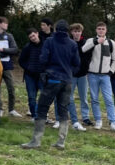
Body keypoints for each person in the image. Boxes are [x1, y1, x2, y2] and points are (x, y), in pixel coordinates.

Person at [21, 19, 79, 150]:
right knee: (63, 110)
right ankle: (61, 141)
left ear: (55, 29)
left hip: (53, 79)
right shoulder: (72, 44)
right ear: (67, 30)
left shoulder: (49, 41)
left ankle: (36, 141)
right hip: (67, 80)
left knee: (42, 108)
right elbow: (76, 62)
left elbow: (43, 59)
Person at [81, 22, 115, 131]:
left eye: (103, 29)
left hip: (105, 76)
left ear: (106, 30)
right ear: (96, 30)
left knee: (108, 99)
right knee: (94, 99)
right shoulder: (90, 40)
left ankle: (113, 122)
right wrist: (95, 42)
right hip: (92, 75)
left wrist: (111, 72)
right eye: (99, 29)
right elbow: (83, 49)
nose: (101, 31)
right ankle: (98, 120)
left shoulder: (111, 43)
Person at [0, 16, 21, 118]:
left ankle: (11, 109)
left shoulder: (9, 36)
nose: (6, 25)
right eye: (5, 23)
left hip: (7, 65)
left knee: (11, 88)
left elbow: (15, 49)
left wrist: (4, 50)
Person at [18, 28, 44, 118]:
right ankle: (34, 115)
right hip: (30, 76)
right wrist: (28, 68)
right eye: (30, 37)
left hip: (42, 75)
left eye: (33, 35)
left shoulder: (45, 45)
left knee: (44, 96)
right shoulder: (27, 47)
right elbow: (21, 61)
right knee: (31, 97)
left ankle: (42, 114)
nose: (32, 38)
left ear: (37, 33)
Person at [69, 23, 90, 130]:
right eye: (74, 31)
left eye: (78, 31)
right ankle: (73, 117)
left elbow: (89, 57)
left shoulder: (86, 43)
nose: (76, 33)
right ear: (71, 32)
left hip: (83, 74)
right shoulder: (68, 43)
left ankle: (85, 117)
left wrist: (87, 69)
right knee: (69, 97)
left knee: (84, 97)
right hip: (71, 75)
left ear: (81, 32)